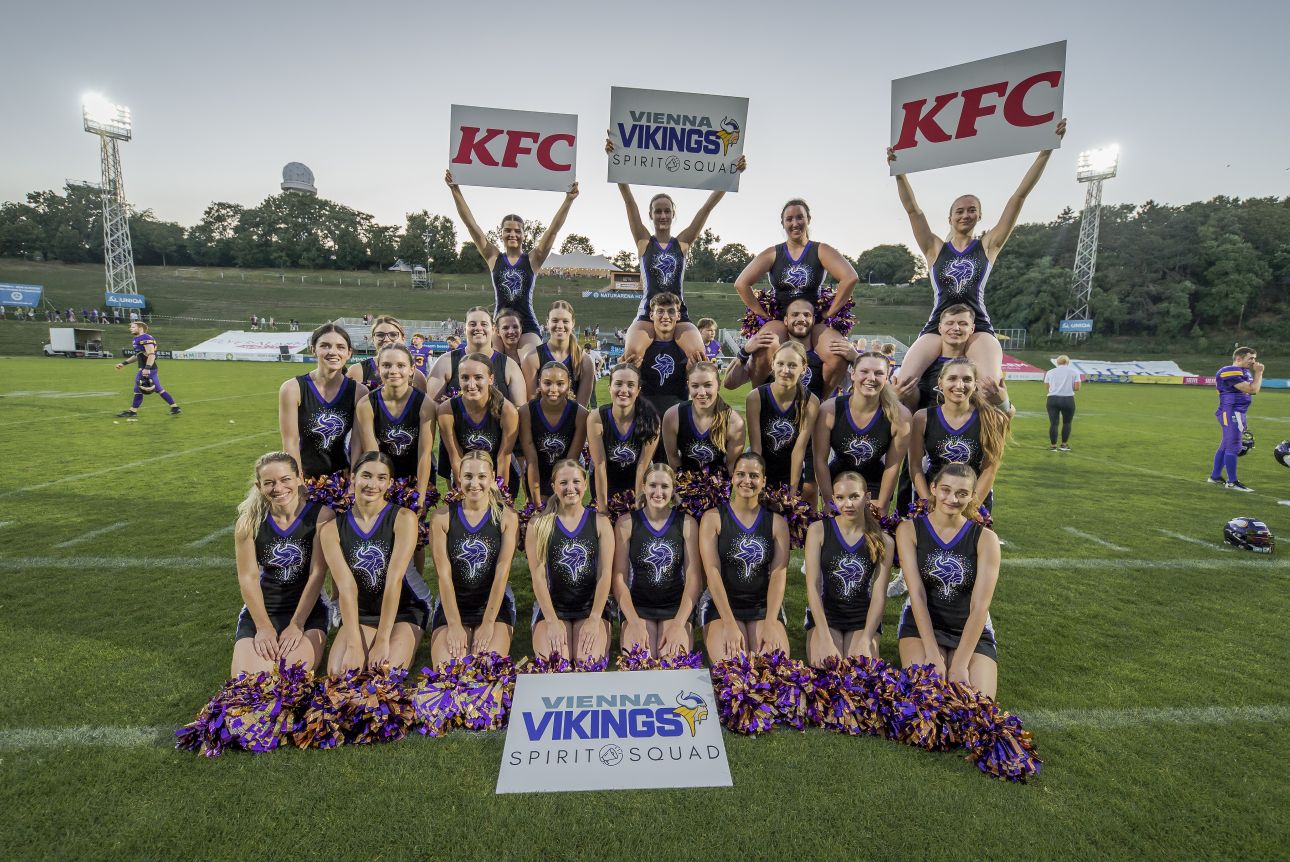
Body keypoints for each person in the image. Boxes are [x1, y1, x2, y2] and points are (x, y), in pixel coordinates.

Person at [887, 119, 1067, 410]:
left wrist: (1045, 152)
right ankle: (918, 432)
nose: (965, 215)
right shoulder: (935, 249)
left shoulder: (988, 246)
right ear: (949, 217)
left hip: (978, 324)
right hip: (939, 323)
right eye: (959, 211)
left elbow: (1018, 197)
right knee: (903, 383)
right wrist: (899, 172)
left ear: (980, 216)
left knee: (990, 387)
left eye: (972, 210)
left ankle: (1002, 420)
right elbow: (913, 210)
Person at [606, 135, 746, 366]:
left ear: (673, 214)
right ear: (651, 215)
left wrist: (732, 173)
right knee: (631, 356)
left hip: (679, 313)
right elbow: (629, 202)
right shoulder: (644, 242)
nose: (663, 215)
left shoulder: (681, 243)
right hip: (647, 313)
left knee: (699, 359)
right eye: (658, 211)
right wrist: (616, 161)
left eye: (667, 211)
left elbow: (706, 208)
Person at [896, 463, 1001, 698]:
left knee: (975, 705)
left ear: (973, 496)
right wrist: (933, 654)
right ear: (933, 488)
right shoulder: (909, 530)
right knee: (927, 699)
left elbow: (980, 606)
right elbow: (917, 595)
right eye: (946, 490)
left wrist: (960, 665)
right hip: (922, 626)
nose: (952, 499)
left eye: (962, 493)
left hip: (970, 628)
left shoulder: (986, 539)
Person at [444, 169, 579, 352]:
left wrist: (568, 200)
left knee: (530, 359)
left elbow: (553, 230)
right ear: (501, 233)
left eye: (517, 230)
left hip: (527, 324)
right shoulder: (493, 257)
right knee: (491, 358)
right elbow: (471, 225)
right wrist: (455, 190)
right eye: (507, 230)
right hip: (501, 324)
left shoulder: (533, 259)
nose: (512, 234)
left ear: (524, 234)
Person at [733, 199, 859, 393]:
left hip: (812, 319)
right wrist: (763, 315)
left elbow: (850, 278)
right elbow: (741, 283)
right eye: (789, 219)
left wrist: (829, 313)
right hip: (782, 319)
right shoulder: (773, 253)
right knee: (765, 344)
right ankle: (761, 398)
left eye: (800, 217)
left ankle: (820, 400)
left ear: (808, 219)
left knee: (837, 353)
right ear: (783, 223)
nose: (795, 223)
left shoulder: (820, 250)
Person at [321, 451, 431, 671]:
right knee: (340, 675)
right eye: (366, 476)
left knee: (384, 673)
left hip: (405, 607)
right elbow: (346, 587)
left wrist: (382, 640)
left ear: (389, 483)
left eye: (381, 478)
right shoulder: (331, 529)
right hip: (359, 611)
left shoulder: (403, 519)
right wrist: (354, 645)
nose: (372, 484)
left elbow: (394, 580)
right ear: (353, 478)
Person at [231, 451, 333, 675]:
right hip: (262, 611)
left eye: (285, 479)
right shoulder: (249, 523)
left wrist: (297, 625)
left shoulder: (321, 517)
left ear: (299, 478)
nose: (278, 488)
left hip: (308, 611)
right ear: (259, 487)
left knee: (290, 681)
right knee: (249, 684)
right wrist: (263, 627)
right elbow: (248, 578)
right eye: (269, 483)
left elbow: (317, 574)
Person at [697, 452, 790, 661]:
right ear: (732, 477)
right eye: (741, 474)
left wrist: (770, 623)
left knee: (772, 667)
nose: (747, 480)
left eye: (754, 476)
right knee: (733, 667)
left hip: (762, 606)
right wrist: (729, 624)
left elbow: (778, 574)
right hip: (721, 606)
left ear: (763, 481)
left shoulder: (777, 523)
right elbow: (712, 572)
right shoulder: (713, 518)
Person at [428, 451, 519, 663]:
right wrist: (454, 625)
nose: (474, 483)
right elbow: (443, 575)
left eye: (482, 476)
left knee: (485, 668)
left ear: (492, 477)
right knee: (451, 671)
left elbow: (502, 573)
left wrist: (488, 624)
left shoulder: (507, 517)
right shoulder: (442, 518)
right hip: (453, 605)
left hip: (494, 606)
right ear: (459, 477)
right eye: (468, 476)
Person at [526, 459, 614, 663]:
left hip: (590, 608)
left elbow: (604, 575)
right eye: (563, 483)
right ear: (553, 486)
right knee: (556, 665)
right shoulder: (538, 524)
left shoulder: (600, 523)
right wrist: (551, 621)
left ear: (585, 484)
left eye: (576, 482)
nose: (570, 488)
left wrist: (594, 619)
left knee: (587, 664)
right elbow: (538, 577)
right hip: (553, 609)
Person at [803, 471, 893, 666]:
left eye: (854, 497)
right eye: (841, 498)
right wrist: (824, 637)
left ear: (867, 497)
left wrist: (866, 639)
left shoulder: (884, 540)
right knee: (828, 669)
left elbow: (879, 595)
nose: (848, 504)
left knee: (858, 672)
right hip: (826, 615)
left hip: (862, 619)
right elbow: (813, 587)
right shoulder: (818, 530)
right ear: (833, 499)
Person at [613, 463, 702, 657]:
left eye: (665, 486)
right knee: (640, 659)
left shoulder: (687, 523)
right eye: (653, 485)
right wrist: (634, 622)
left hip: (675, 608)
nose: (658, 492)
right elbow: (619, 579)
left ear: (673, 489)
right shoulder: (626, 523)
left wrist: (679, 624)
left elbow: (694, 579)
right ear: (644, 487)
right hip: (638, 608)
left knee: (673, 661)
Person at [907, 358, 1010, 514]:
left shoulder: (992, 419)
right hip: (933, 498)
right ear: (940, 383)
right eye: (952, 378)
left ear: (975, 385)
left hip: (974, 499)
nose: (960, 385)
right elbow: (915, 466)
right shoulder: (922, 418)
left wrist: (971, 506)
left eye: (967, 379)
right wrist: (928, 501)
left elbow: (990, 469)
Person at [814, 352, 912, 512]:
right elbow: (820, 460)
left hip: (874, 482)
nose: (871, 378)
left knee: (870, 525)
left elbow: (892, 467)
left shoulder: (899, 416)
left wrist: (881, 506)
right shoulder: (830, 409)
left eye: (879, 373)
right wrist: (829, 501)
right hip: (837, 479)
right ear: (853, 374)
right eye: (864, 371)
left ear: (887, 377)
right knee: (837, 525)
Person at [279, 324, 366, 482]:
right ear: (313, 350)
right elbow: (290, 442)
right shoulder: (292, 388)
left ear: (349, 353)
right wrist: (298, 481)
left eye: (340, 347)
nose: (333, 352)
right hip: (306, 477)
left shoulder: (359, 392)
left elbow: (357, 441)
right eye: (325, 346)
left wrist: (354, 478)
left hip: (342, 478)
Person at [355, 343, 436, 506]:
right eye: (386, 365)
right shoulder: (366, 404)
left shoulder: (425, 403)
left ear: (412, 369)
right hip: (382, 477)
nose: (393, 371)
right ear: (378, 369)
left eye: (400, 365)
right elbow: (373, 455)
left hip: (417, 475)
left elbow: (425, 454)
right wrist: (379, 491)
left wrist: (420, 496)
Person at [436, 352, 519, 491]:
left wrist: (499, 494)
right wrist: (463, 491)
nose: (471, 384)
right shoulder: (447, 410)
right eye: (465, 378)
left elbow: (503, 458)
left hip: (500, 474)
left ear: (491, 379)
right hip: (464, 474)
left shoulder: (507, 411)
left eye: (478, 377)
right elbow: (455, 456)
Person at [745, 341, 819, 494]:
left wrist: (792, 490)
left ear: (803, 368)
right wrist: (759, 482)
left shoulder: (811, 401)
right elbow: (756, 448)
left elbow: (799, 450)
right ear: (772, 364)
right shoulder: (756, 397)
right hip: (761, 468)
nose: (785, 370)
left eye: (792, 365)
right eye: (780, 364)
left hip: (790, 471)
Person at [586, 363, 661, 513]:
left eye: (630, 385)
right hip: (605, 479)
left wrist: (638, 508)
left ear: (638, 390)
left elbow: (643, 466)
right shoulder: (596, 417)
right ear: (609, 388)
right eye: (618, 384)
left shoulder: (651, 420)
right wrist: (603, 509)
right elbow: (600, 465)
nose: (624, 390)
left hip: (636, 481)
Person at [518, 362, 588, 507]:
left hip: (569, 468)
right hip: (537, 469)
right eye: (547, 383)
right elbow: (531, 460)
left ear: (568, 384)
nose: (553, 389)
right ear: (539, 383)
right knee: (539, 510)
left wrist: (561, 497)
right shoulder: (526, 412)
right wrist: (537, 503)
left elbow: (570, 461)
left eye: (560, 384)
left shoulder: (580, 414)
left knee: (565, 509)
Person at [425, 307, 525, 406]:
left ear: (493, 329)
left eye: (484, 324)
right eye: (472, 324)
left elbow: (519, 408)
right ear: (465, 329)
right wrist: (452, 407)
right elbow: (431, 405)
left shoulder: (509, 366)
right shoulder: (445, 362)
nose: (478, 328)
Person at [663, 361, 745, 475]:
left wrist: (716, 485)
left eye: (708, 385)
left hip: (719, 482)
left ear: (718, 385)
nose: (701, 393)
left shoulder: (734, 422)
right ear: (688, 385)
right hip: (683, 481)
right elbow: (673, 458)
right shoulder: (673, 416)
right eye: (695, 386)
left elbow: (731, 467)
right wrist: (683, 483)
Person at [1210, 346, 1264, 492]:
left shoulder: (1244, 371)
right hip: (1231, 410)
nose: (1253, 361)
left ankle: (1215, 476)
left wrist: (1257, 374)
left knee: (1225, 445)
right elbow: (1252, 389)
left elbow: (1254, 389)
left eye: (1254, 358)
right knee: (1233, 445)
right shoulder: (1229, 370)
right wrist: (1259, 373)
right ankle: (1232, 482)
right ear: (1239, 358)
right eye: (1250, 358)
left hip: (1238, 411)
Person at [520, 301, 595, 407]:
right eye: (555, 320)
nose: (560, 326)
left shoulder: (585, 361)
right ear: (547, 323)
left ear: (573, 323)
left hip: (573, 417)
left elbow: (581, 409)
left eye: (565, 321)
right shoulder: (532, 358)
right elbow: (532, 405)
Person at [114, 321, 181, 418]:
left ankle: (132, 411)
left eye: (133, 327)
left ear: (140, 328)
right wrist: (124, 363)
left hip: (147, 368)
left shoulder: (145, 338)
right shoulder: (137, 339)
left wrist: (146, 368)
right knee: (159, 389)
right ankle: (175, 407)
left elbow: (151, 354)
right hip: (150, 368)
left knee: (138, 389)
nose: (130, 329)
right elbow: (137, 355)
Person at [638, 292, 690, 417]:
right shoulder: (640, 348)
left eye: (671, 311)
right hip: (646, 415)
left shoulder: (688, 348)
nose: (665, 316)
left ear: (678, 315)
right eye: (660, 311)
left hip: (677, 415)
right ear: (651, 315)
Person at [348, 316, 428, 393]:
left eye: (393, 334)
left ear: (403, 338)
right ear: (373, 339)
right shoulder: (357, 370)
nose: (386, 339)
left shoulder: (417, 376)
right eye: (380, 335)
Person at [1044, 355, 1082, 451]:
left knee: (1054, 423)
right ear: (1068, 362)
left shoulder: (1050, 372)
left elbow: (1047, 387)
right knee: (1067, 423)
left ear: (1057, 362)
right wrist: (1067, 386)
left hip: (1052, 399)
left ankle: (1053, 446)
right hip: (1068, 399)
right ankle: (1064, 445)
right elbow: (1077, 388)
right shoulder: (1074, 372)